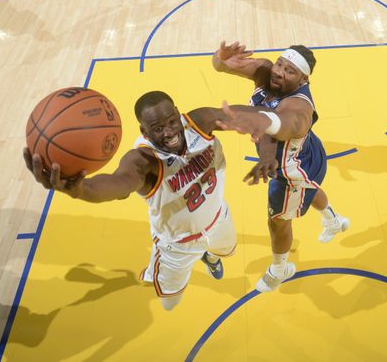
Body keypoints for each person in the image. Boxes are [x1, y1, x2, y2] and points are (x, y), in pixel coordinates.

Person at [23, 91, 246, 310]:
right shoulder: (142, 160)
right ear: (144, 132)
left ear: (178, 114)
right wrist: (81, 190)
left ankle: (210, 258)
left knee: (225, 252)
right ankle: (154, 271)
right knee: (169, 303)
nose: (169, 132)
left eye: (171, 122)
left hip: (218, 219)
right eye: (158, 129)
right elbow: (117, 183)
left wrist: (274, 127)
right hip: (177, 244)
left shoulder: (200, 123)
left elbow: (244, 115)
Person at [211, 41, 349, 293]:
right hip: (309, 152)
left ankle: (279, 269)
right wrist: (221, 57)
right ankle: (333, 220)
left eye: (289, 71)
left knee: (277, 221)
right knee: (310, 189)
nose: (279, 72)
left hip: (292, 170)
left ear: (302, 80)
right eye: (280, 64)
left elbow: (284, 125)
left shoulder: (300, 107)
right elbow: (220, 66)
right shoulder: (267, 71)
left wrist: (257, 119)